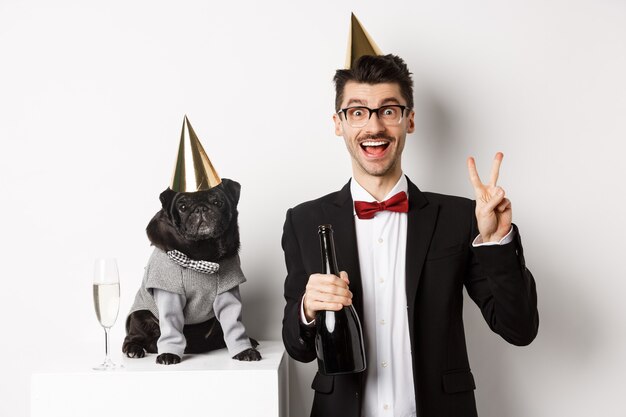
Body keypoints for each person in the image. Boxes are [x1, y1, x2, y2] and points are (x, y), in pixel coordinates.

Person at [281, 53, 538, 417]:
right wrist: (307, 308)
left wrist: (497, 241)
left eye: (388, 111)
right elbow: (298, 348)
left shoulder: (460, 217)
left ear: (409, 120)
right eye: (357, 112)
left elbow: (520, 328)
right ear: (338, 124)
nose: (374, 127)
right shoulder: (303, 221)